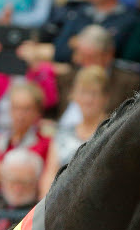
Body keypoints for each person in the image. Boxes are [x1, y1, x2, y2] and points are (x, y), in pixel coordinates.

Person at [51, 24, 140, 127]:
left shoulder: (128, 83)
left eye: (89, 57)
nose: (80, 61)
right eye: (79, 55)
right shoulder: (67, 78)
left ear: (108, 55)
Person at [40, 65, 108, 195]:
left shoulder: (112, 130)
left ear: (105, 97)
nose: (88, 100)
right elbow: (49, 174)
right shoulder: (62, 133)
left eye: (94, 93)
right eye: (83, 92)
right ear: (74, 96)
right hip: (63, 204)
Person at [51, 0, 137, 63]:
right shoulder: (78, 14)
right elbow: (59, 52)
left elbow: (122, 56)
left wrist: (76, 42)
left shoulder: (129, 19)